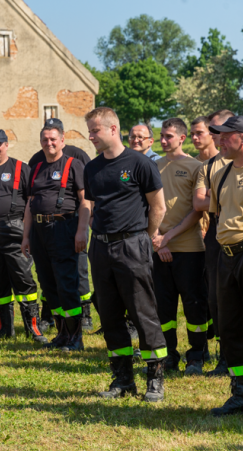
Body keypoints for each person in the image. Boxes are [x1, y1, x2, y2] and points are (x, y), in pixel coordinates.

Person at [82, 107, 168, 403]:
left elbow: (158, 207)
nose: (91, 136)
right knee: (109, 313)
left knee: (142, 311)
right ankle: (123, 379)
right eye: (90, 131)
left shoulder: (140, 163)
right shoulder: (91, 168)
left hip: (133, 245)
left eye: (95, 130)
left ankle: (154, 379)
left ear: (113, 129)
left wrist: (145, 237)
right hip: (101, 247)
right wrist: (85, 232)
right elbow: (89, 205)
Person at [21, 121, 90, 352]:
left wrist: (82, 230)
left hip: (63, 228)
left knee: (66, 283)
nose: (49, 143)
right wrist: (26, 236)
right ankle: (62, 333)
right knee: (48, 285)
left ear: (62, 140)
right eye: (45, 140)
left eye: (53, 139)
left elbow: (85, 201)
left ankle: (75, 336)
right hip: (39, 232)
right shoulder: (36, 166)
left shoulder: (74, 164)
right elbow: (30, 203)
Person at [152, 118, 208, 374]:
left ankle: (197, 355)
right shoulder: (153, 166)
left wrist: (169, 236)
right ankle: (168, 355)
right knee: (163, 307)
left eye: (169, 137)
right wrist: (158, 239)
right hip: (159, 248)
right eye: (162, 136)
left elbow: (197, 212)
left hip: (189, 249)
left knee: (194, 304)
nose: (163, 141)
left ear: (182, 138)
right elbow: (147, 206)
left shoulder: (197, 167)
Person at [206, 115, 243, 416]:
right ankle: (241, 392)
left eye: (225, 135)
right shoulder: (219, 174)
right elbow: (215, 216)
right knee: (231, 327)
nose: (219, 141)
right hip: (226, 256)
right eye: (218, 136)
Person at [0, 128, 45, 343]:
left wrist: (28, 233)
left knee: (24, 280)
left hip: (15, 232)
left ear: (6, 145)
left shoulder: (21, 168)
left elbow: (32, 200)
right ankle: (4, 328)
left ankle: (33, 328)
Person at [193, 109, 235, 377]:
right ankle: (224, 354)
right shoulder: (208, 166)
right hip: (217, 234)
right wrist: (228, 200)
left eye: (218, 131)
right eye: (213, 131)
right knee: (218, 296)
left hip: (242, 232)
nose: (215, 136)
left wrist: (216, 196)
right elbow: (198, 202)